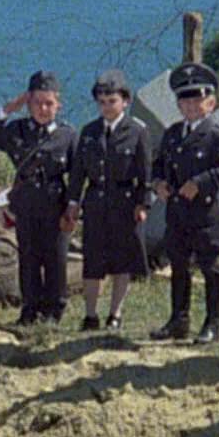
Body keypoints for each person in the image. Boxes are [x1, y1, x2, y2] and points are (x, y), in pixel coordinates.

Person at [0, 71, 78, 325]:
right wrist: (11, 107)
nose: (43, 109)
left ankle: (54, 311)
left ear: (58, 105)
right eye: (36, 103)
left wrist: (73, 207)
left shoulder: (67, 136)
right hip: (25, 204)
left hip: (55, 204)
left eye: (49, 104)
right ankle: (29, 308)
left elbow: (78, 175)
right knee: (29, 258)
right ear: (29, 103)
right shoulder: (18, 130)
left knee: (55, 259)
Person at [150, 62, 219, 344]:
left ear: (211, 102)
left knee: (210, 268)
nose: (190, 106)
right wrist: (158, 182)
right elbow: (159, 164)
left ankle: (213, 323)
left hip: (206, 214)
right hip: (177, 213)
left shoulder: (216, 135)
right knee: (178, 266)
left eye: (197, 100)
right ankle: (179, 319)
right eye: (184, 100)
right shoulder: (173, 133)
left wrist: (199, 183)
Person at [66, 69, 152, 331]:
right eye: (102, 102)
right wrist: (73, 201)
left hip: (124, 204)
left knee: (121, 263)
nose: (106, 107)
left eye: (112, 101)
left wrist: (143, 203)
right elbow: (79, 171)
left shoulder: (137, 131)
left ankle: (115, 314)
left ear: (125, 101)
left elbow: (145, 171)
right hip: (95, 203)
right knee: (93, 261)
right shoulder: (90, 131)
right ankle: (90, 314)